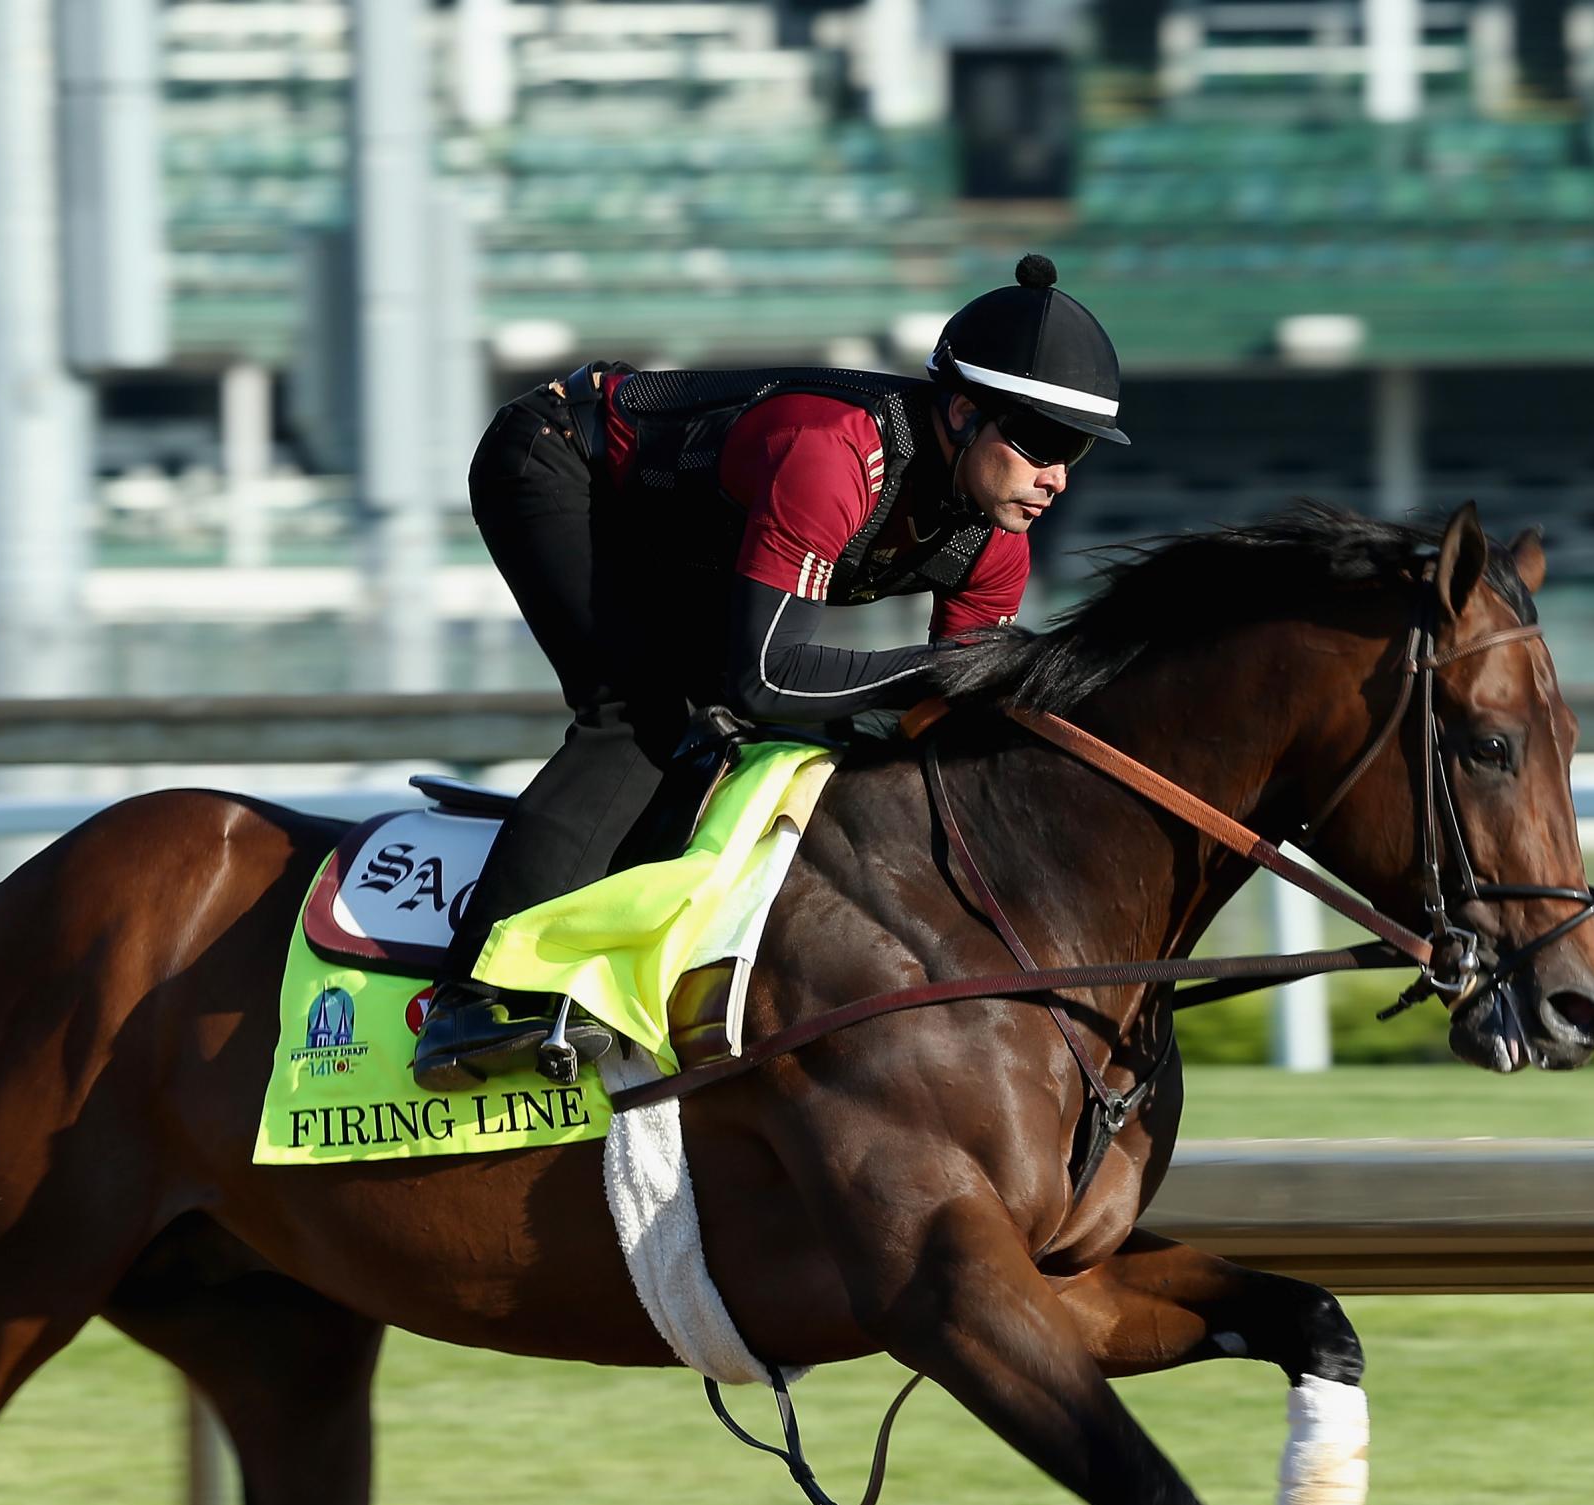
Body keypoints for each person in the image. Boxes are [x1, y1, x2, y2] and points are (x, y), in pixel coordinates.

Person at [413, 252, 1128, 1090]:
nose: (1058, 475)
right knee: (644, 715)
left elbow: (950, 726)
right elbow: (769, 678)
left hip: (686, 532)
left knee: (728, 729)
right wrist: (943, 671)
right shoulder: (835, 455)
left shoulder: (996, 545)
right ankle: (473, 1002)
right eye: (1040, 440)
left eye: (1075, 447)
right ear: (964, 412)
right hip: (560, 462)